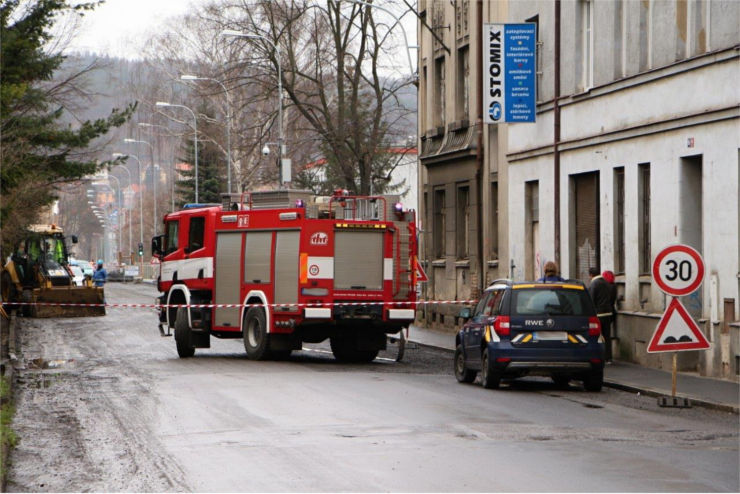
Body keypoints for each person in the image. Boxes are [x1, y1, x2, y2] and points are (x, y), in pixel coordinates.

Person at [589, 267, 617, 363]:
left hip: (598, 314)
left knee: (597, 336)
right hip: (608, 312)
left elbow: (591, 300)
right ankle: (608, 357)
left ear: (591, 275)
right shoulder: (606, 283)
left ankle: (598, 356)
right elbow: (611, 298)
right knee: (607, 336)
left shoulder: (594, 284)